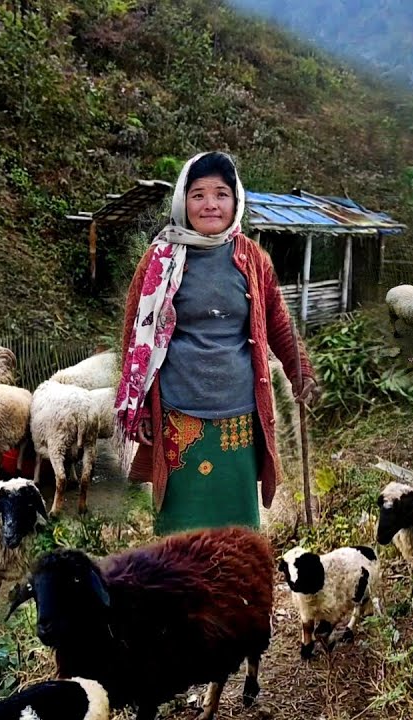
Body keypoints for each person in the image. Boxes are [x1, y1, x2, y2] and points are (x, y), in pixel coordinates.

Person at [114, 151, 319, 536]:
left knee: (235, 531)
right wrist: (141, 407)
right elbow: (135, 336)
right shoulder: (159, 260)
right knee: (180, 534)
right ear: (182, 201)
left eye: (221, 194)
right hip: (177, 413)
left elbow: (277, 321)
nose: (210, 204)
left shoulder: (252, 258)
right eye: (198, 194)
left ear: (235, 201)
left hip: (238, 414)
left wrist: (300, 371)